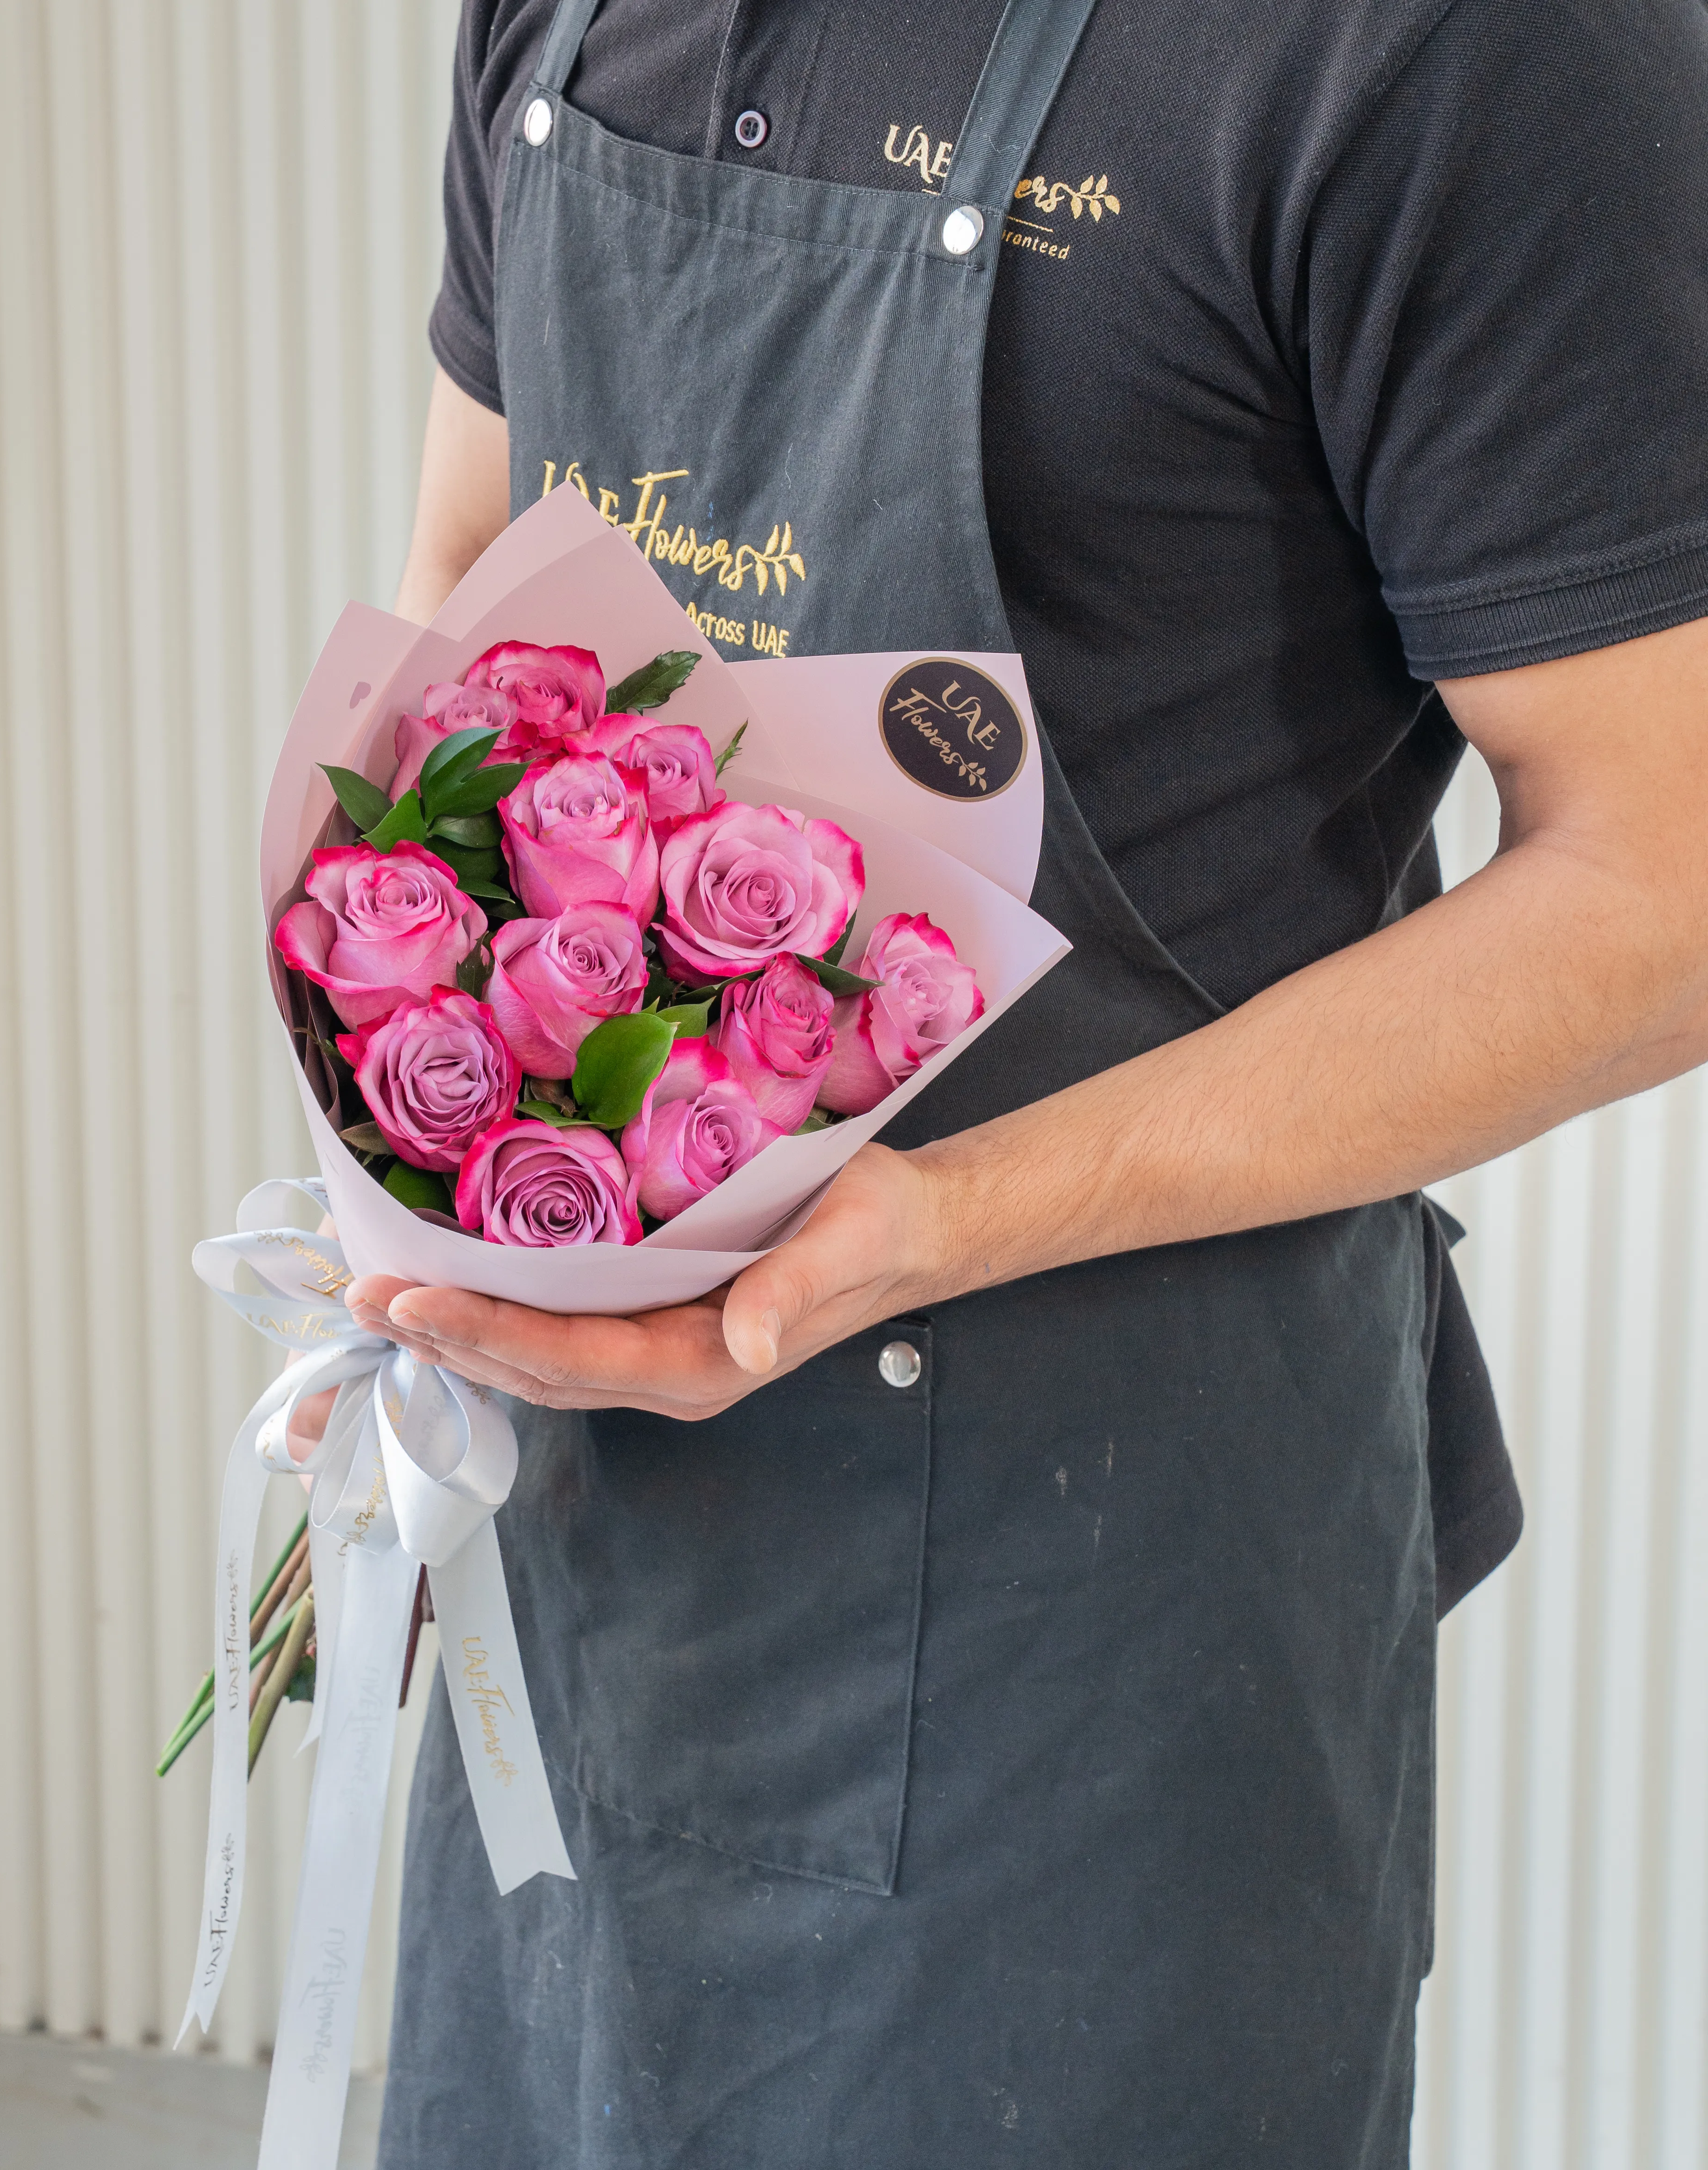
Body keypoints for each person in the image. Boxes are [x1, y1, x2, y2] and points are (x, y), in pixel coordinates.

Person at [324, 1, 1708, 2162]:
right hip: (598, 1558)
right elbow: (475, 590)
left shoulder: (1456, 48)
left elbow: (1669, 877)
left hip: (1105, 1633)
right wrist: (403, 1159)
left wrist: (943, 1215)